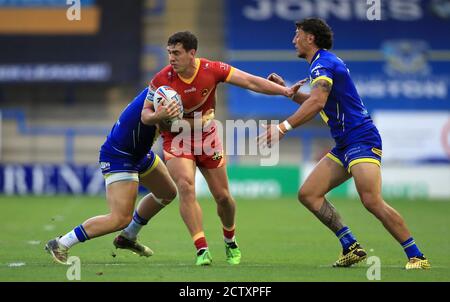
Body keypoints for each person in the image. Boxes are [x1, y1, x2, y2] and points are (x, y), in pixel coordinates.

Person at [259, 18, 430, 269]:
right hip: (344, 143)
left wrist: (283, 127)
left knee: (371, 200)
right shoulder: (323, 63)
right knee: (308, 194)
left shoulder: (323, 64)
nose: (293, 40)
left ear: (310, 38)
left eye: (297, 34)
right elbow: (320, 102)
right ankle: (351, 245)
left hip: (361, 138)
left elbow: (317, 103)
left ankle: (417, 256)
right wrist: (288, 91)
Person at [143, 31, 300, 266]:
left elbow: (250, 81)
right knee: (185, 186)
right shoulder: (161, 79)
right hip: (177, 139)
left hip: (208, 137)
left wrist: (284, 91)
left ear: (192, 53)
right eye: (169, 53)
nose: (171, 59)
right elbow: (145, 114)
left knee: (223, 197)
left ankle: (230, 239)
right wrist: (158, 115)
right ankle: (201, 248)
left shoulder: (212, 69)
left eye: (176, 53)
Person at [45, 87, 180, 264]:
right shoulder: (154, 104)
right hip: (119, 156)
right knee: (120, 218)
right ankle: (60, 243)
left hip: (139, 153)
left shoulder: (159, 93)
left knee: (167, 192)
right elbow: (159, 123)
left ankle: (128, 237)